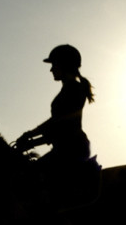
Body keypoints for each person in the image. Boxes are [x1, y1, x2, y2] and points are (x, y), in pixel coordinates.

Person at [15, 44, 99, 208]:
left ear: (64, 65)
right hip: (66, 148)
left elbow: (60, 126)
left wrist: (32, 141)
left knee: (31, 177)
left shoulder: (73, 89)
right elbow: (55, 122)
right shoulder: (69, 89)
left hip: (71, 149)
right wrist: (30, 134)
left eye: (54, 65)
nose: (51, 70)